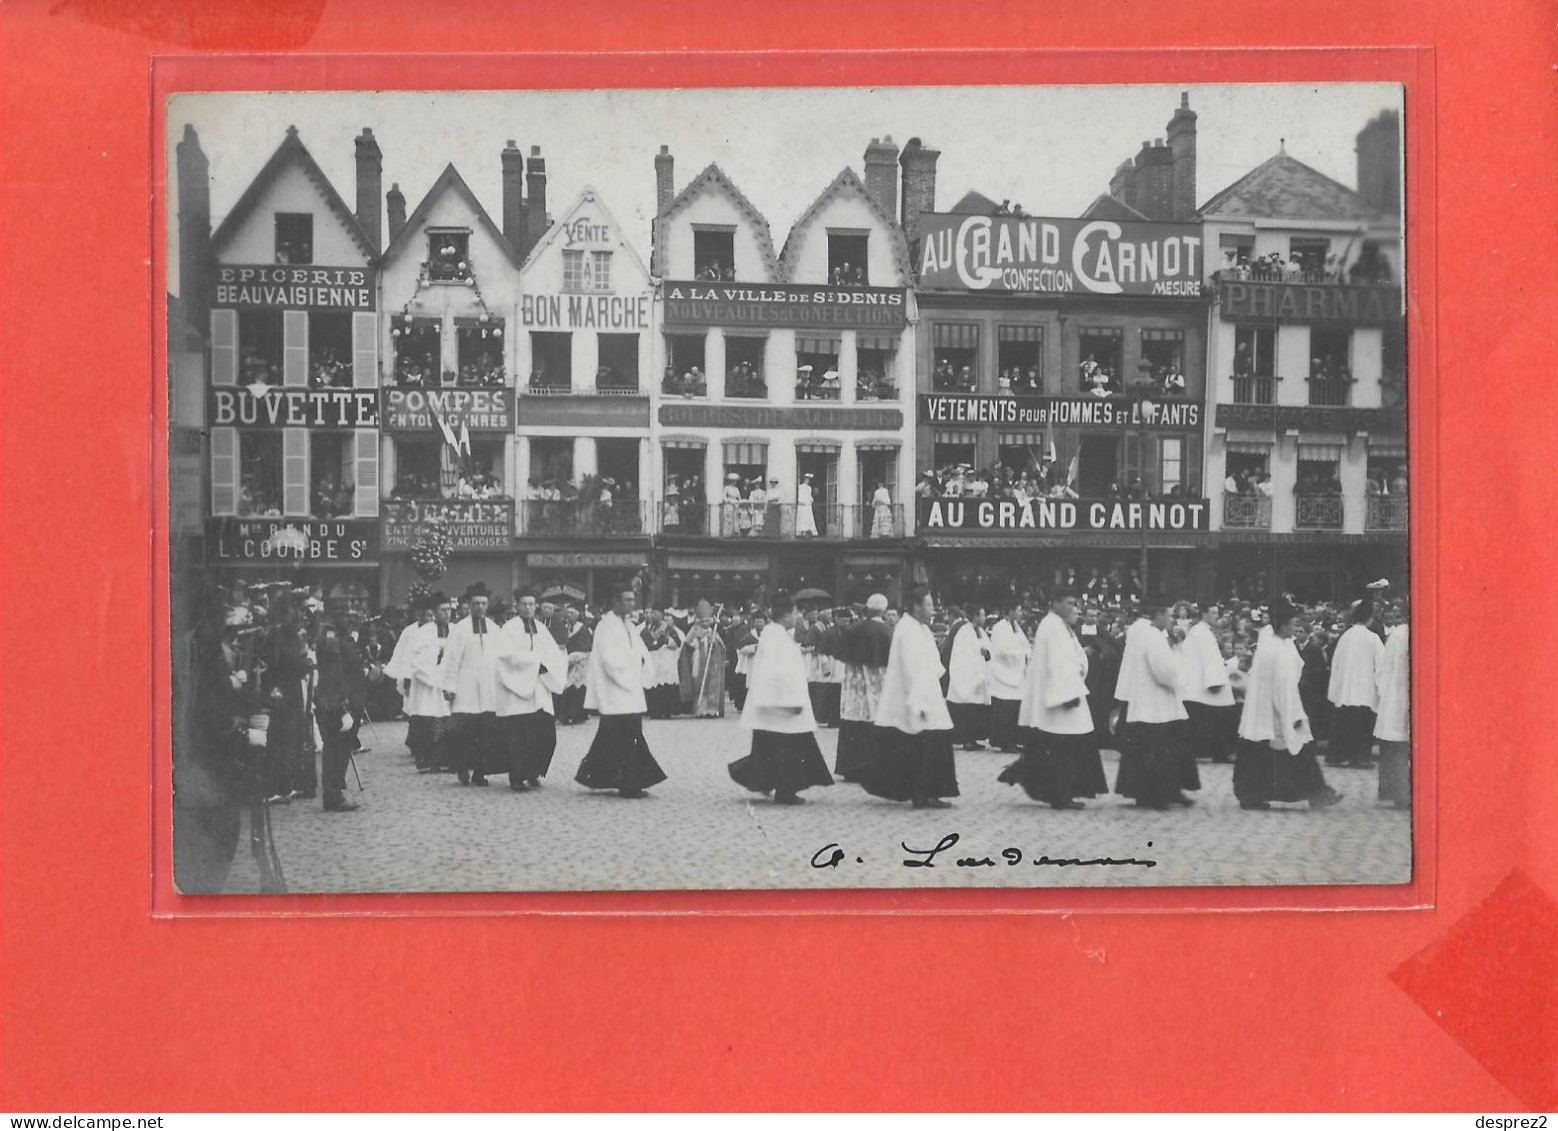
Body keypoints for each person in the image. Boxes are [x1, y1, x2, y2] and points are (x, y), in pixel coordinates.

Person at [999, 586, 1108, 808]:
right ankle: (1060, 795)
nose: (1074, 608)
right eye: (1069, 603)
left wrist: (1079, 670)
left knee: (1054, 746)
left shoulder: (1061, 626)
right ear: (1056, 603)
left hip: (1064, 691)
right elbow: (1057, 664)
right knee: (1062, 748)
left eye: (1075, 604)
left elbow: (1074, 655)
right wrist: (1068, 693)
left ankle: (1027, 776)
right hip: (1059, 697)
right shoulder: (1051, 627)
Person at [1233, 599, 1344, 810]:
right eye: (1293, 624)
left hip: (1264, 711)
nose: (1295, 628)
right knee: (1297, 750)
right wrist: (1292, 715)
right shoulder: (1277, 650)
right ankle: (1316, 793)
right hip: (1276, 711)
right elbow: (1282, 688)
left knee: (1265, 753)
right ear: (1283, 625)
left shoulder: (1273, 645)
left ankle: (1252, 795)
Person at [728, 592, 835, 804]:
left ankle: (768, 783)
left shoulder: (776, 634)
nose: (797, 615)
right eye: (795, 612)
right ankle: (784, 790)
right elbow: (776, 674)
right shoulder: (775, 636)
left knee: (774, 750)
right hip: (780, 705)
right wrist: (787, 703)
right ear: (786, 615)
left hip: (777, 706)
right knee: (785, 750)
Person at [857, 586, 959, 808]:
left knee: (931, 745)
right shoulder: (907, 630)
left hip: (927, 692)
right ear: (916, 606)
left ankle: (929, 792)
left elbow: (932, 660)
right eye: (929, 604)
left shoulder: (919, 628)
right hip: (914, 696)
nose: (933, 609)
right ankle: (921, 794)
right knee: (919, 747)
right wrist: (919, 700)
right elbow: (912, 669)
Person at [575, 586, 667, 798]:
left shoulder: (627, 624)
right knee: (625, 737)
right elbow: (610, 659)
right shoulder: (607, 626)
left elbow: (639, 649)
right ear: (615, 602)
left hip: (628, 688)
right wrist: (636, 662)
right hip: (615, 689)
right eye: (626, 600)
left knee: (614, 736)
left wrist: (641, 660)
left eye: (633, 600)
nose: (631, 604)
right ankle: (629, 784)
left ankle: (595, 775)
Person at [1113, 602, 1193, 809]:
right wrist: (1179, 657)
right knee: (1158, 749)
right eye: (1169, 614)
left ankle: (1162, 791)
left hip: (1150, 700)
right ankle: (1157, 794)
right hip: (1155, 701)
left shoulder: (1146, 632)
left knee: (1151, 749)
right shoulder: (1152, 636)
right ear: (1157, 614)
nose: (1172, 619)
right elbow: (1164, 671)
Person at [495, 588, 566, 791]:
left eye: (531, 604)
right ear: (516, 606)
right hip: (518, 690)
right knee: (519, 736)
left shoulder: (542, 629)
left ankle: (534, 771)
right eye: (524, 604)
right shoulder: (509, 629)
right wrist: (536, 663)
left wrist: (548, 666)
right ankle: (517, 777)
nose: (528, 608)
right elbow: (506, 657)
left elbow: (554, 654)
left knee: (545, 734)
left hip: (540, 688)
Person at [439, 582, 502, 786]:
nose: (480, 607)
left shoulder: (494, 629)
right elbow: (450, 659)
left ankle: (480, 773)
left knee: (486, 733)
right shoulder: (460, 629)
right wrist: (449, 686)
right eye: (476, 603)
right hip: (465, 689)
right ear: (469, 604)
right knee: (465, 733)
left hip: (488, 689)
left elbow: (501, 658)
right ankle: (462, 768)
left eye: (484, 603)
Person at [384, 592, 453, 772]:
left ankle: (446, 759)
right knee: (428, 721)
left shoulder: (455, 630)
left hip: (448, 685)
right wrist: (437, 660)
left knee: (447, 721)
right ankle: (427, 759)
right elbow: (414, 660)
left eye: (449, 609)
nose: (447, 613)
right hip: (427, 685)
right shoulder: (421, 633)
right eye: (443, 610)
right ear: (435, 612)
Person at [835, 594, 894, 782]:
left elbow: (842, 655)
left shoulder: (853, 629)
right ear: (883, 611)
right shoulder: (887, 632)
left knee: (853, 721)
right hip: (878, 684)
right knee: (875, 720)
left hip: (853, 684)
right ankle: (874, 767)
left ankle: (850, 768)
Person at [313, 615, 367, 812]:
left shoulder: (333, 641)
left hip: (343, 702)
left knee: (338, 749)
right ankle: (334, 794)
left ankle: (335, 790)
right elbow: (335, 676)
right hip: (341, 704)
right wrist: (343, 708)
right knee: (337, 749)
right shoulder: (333, 643)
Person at [1327, 593, 1386, 768]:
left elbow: (1336, 664)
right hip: (1365, 691)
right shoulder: (1373, 638)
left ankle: (1338, 756)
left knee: (1344, 723)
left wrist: (1336, 689)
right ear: (1369, 618)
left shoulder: (1345, 637)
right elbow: (1382, 666)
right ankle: (1360, 758)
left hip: (1346, 690)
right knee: (1362, 725)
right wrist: (1381, 688)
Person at [1180, 603, 1238, 764]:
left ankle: (1214, 752)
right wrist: (1214, 682)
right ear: (1204, 614)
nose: (1216, 616)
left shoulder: (1200, 632)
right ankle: (1220, 753)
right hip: (1206, 683)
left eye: (1217, 613)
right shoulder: (1202, 633)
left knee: (1208, 719)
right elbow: (1209, 659)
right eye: (1212, 612)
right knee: (1219, 718)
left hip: (1198, 683)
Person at [1374, 602, 1411, 808]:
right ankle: (1402, 792)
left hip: (1392, 696)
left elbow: (1382, 668)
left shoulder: (1396, 635)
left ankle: (1392, 789)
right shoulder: (1407, 634)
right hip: (1402, 695)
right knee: (1400, 745)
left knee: (1394, 745)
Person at [943, 608, 991, 750]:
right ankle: (965, 740)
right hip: (966, 675)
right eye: (982, 614)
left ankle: (973, 738)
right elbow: (962, 654)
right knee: (966, 710)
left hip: (978, 675)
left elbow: (988, 649)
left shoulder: (981, 632)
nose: (984, 617)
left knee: (975, 709)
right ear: (975, 616)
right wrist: (978, 654)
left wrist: (986, 653)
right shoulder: (964, 631)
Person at [986, 598, 1030, 753]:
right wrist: (1019, 654)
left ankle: (1013, 740)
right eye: (1018, 610)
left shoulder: (1017, 627)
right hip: (1003, 673)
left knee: (1015, 708)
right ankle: (1005, 742)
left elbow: (1025, 645)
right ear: (1010, 611)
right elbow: (1000, 651)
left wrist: (1026, 654)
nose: (1020, 613)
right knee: (1005, 709)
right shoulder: (1000, 628)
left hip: (1016, 673)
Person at [679, 601, 727, 717]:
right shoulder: (694, 630)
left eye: (708, 620)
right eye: (703, 621)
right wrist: (697, 637)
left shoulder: (714, 631)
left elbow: (722, 647)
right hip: (698, 659)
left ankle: (712, 709)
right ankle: (700, 709)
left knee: (712, 684)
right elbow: (687, 644)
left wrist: (714, 642)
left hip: (712, 662)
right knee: (699, 684)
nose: (706, 623)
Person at [640, 606, 684, 720]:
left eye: (654, 613)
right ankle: (655, 711)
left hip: (665, 660)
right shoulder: (646, 629)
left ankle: (666, 711)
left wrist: (667, 638)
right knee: (653, 685)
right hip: (653, 660)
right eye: (650, 613)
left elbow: (677, 643)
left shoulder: (668, 628)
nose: (652, 615)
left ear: (660, 615)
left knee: (666, 686)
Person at [556, 605, 592, 725]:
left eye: (572, 613)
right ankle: (564, 714)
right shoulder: (563, 628)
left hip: (580, 661)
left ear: (577, 615)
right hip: (566, 661)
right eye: (568, 613)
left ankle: (577, 714)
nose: (569, 615)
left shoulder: (582, 628)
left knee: (577, 686)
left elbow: (586, 646)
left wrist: (574, 657)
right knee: (565, 686)